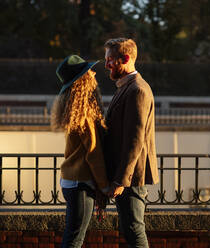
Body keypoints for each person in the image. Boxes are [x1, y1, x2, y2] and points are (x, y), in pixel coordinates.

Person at [103, 38, 159, 247]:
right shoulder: (127, 87)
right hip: (127, 176)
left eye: (110, 60)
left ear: (125, 59)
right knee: (130, 230)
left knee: (135, 231)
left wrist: (120, 180)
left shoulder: (137, 90)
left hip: (131, 178)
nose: (106, 64)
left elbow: (135, 140)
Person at [51, 55, 109, 248]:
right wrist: (105, 186)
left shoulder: (76, 110)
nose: (93, 73)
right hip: (80, 184)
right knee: (74, 239)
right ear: (82, 81)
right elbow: (94, 154)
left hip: (73, 182)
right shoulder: (84, 115)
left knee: (73, 237)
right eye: (88, 72)